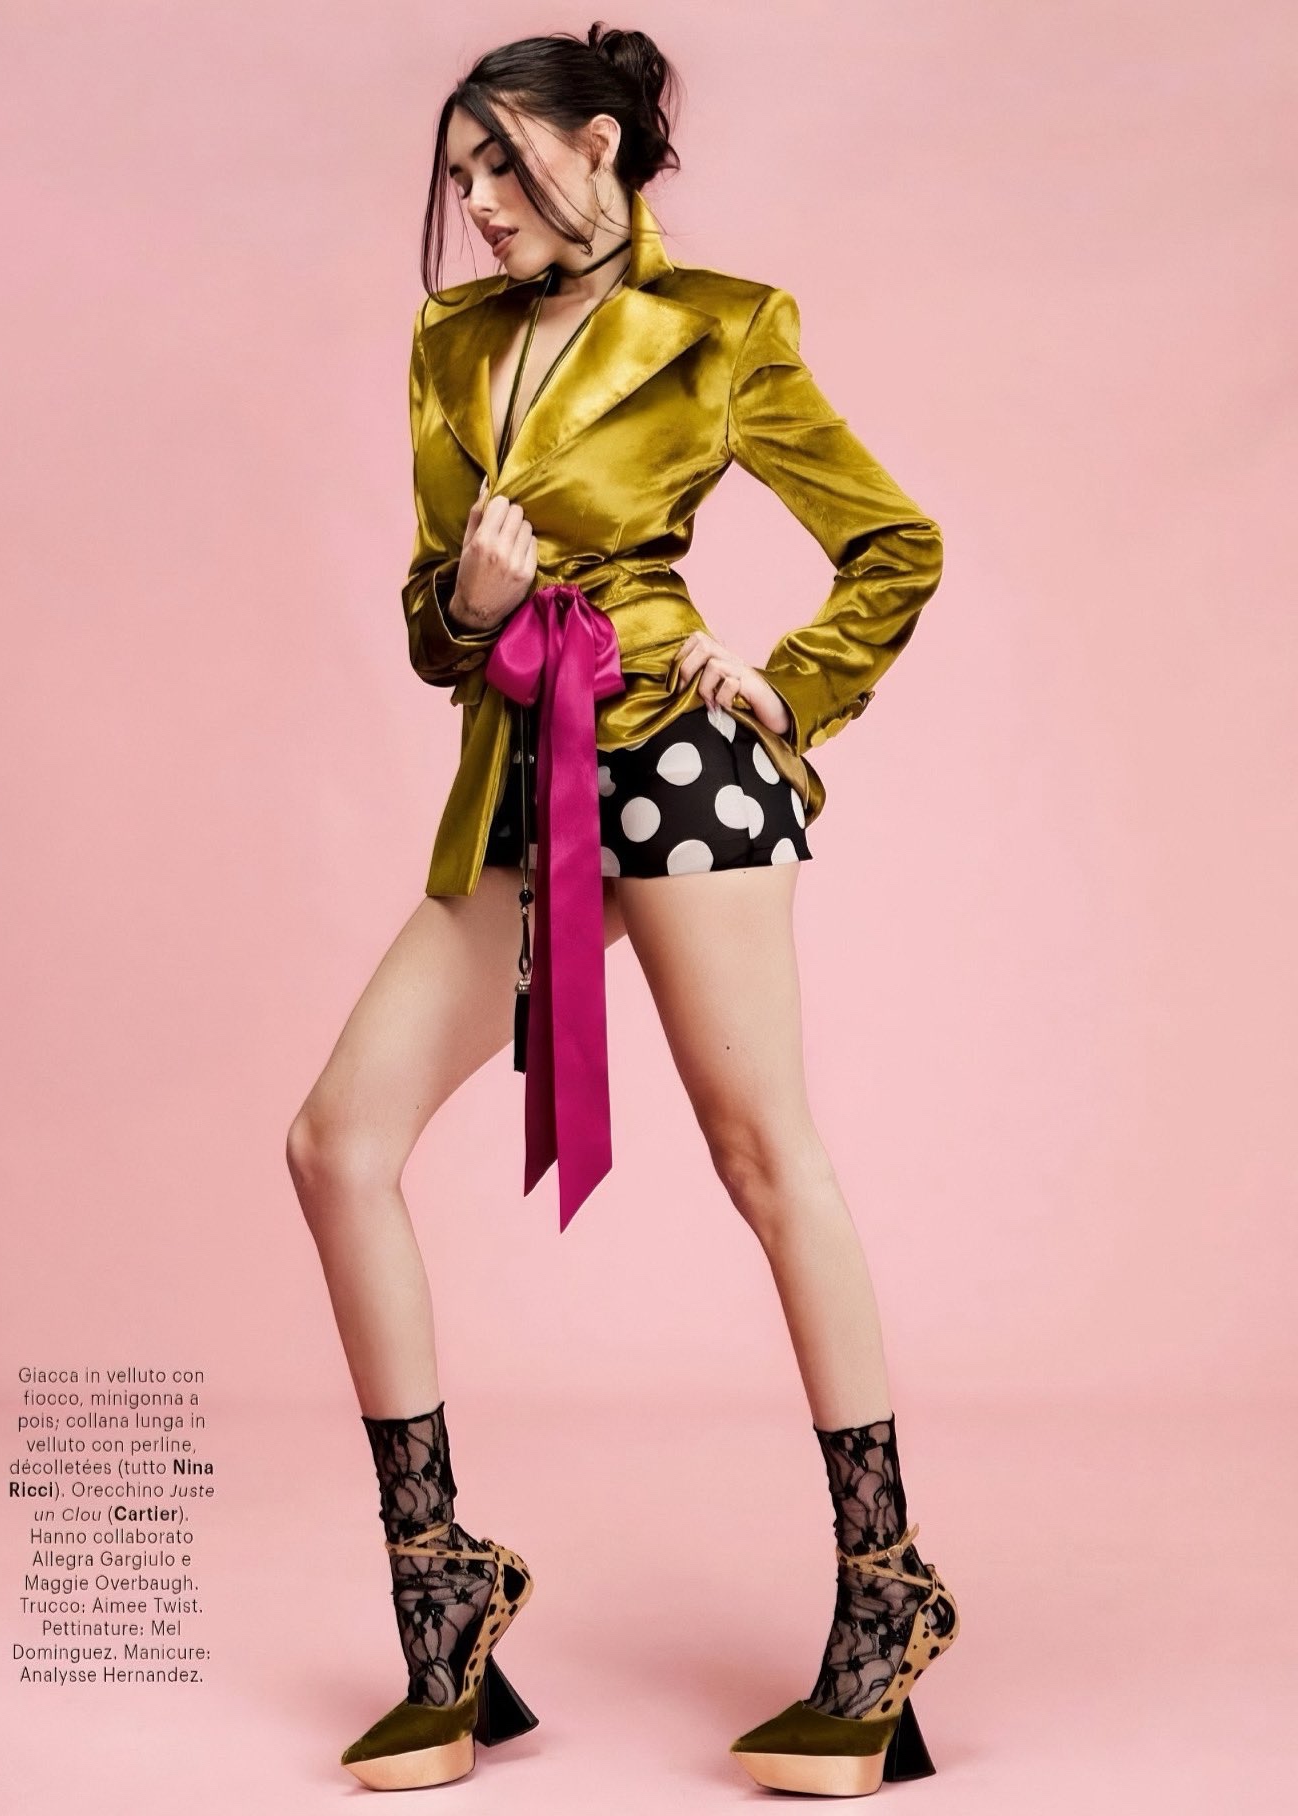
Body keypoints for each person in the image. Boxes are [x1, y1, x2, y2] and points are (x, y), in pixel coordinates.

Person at [285, 22, 959, 1798]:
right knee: (338, 1142)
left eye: (503, 165)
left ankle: (888, 1598)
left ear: (599, 145)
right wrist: (468, 597)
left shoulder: (722, 327)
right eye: (459, 179)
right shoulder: (449, 344)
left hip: (674, 753)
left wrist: (793, 688)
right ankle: (445, 1599)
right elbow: (432, 623)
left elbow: (893, 542)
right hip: (519, 777)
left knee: (764, 1157)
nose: (479, 206)